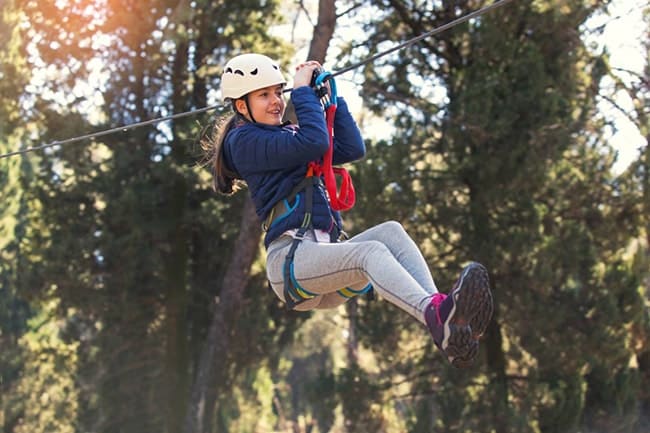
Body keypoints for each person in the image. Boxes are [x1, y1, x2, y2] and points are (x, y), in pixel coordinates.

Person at [202, 53, 493, 368]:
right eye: (264, 95)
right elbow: (315, 143)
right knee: (369, 252)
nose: (276, 101)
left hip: (323, 263)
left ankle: (444, 318)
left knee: (391, 232)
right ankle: (437, 316)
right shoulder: (243, 142)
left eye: (279, 91)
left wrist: (329, 100)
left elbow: (352, 148)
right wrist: (302, 91)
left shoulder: (284, 136)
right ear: (241, 106)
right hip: (292, 263)